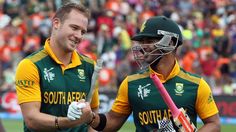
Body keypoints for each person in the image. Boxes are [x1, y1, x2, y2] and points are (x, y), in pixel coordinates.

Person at [69, 16, 221, 132]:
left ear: (170, 42)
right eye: (142, 41)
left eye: (149, 40)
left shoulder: (196, 85)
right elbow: (112, 121)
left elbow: (214, 123)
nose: (143, 46)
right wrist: (89, 117)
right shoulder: (131, 83)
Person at [15, 2, 99, 132]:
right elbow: (31, 120)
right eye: (74, 28)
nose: (79, 36)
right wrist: (69, 122)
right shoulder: (30, 65)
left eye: (83, 31)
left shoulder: (90, 66)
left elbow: (93, 112)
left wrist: (89, 118)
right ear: (56, 24)